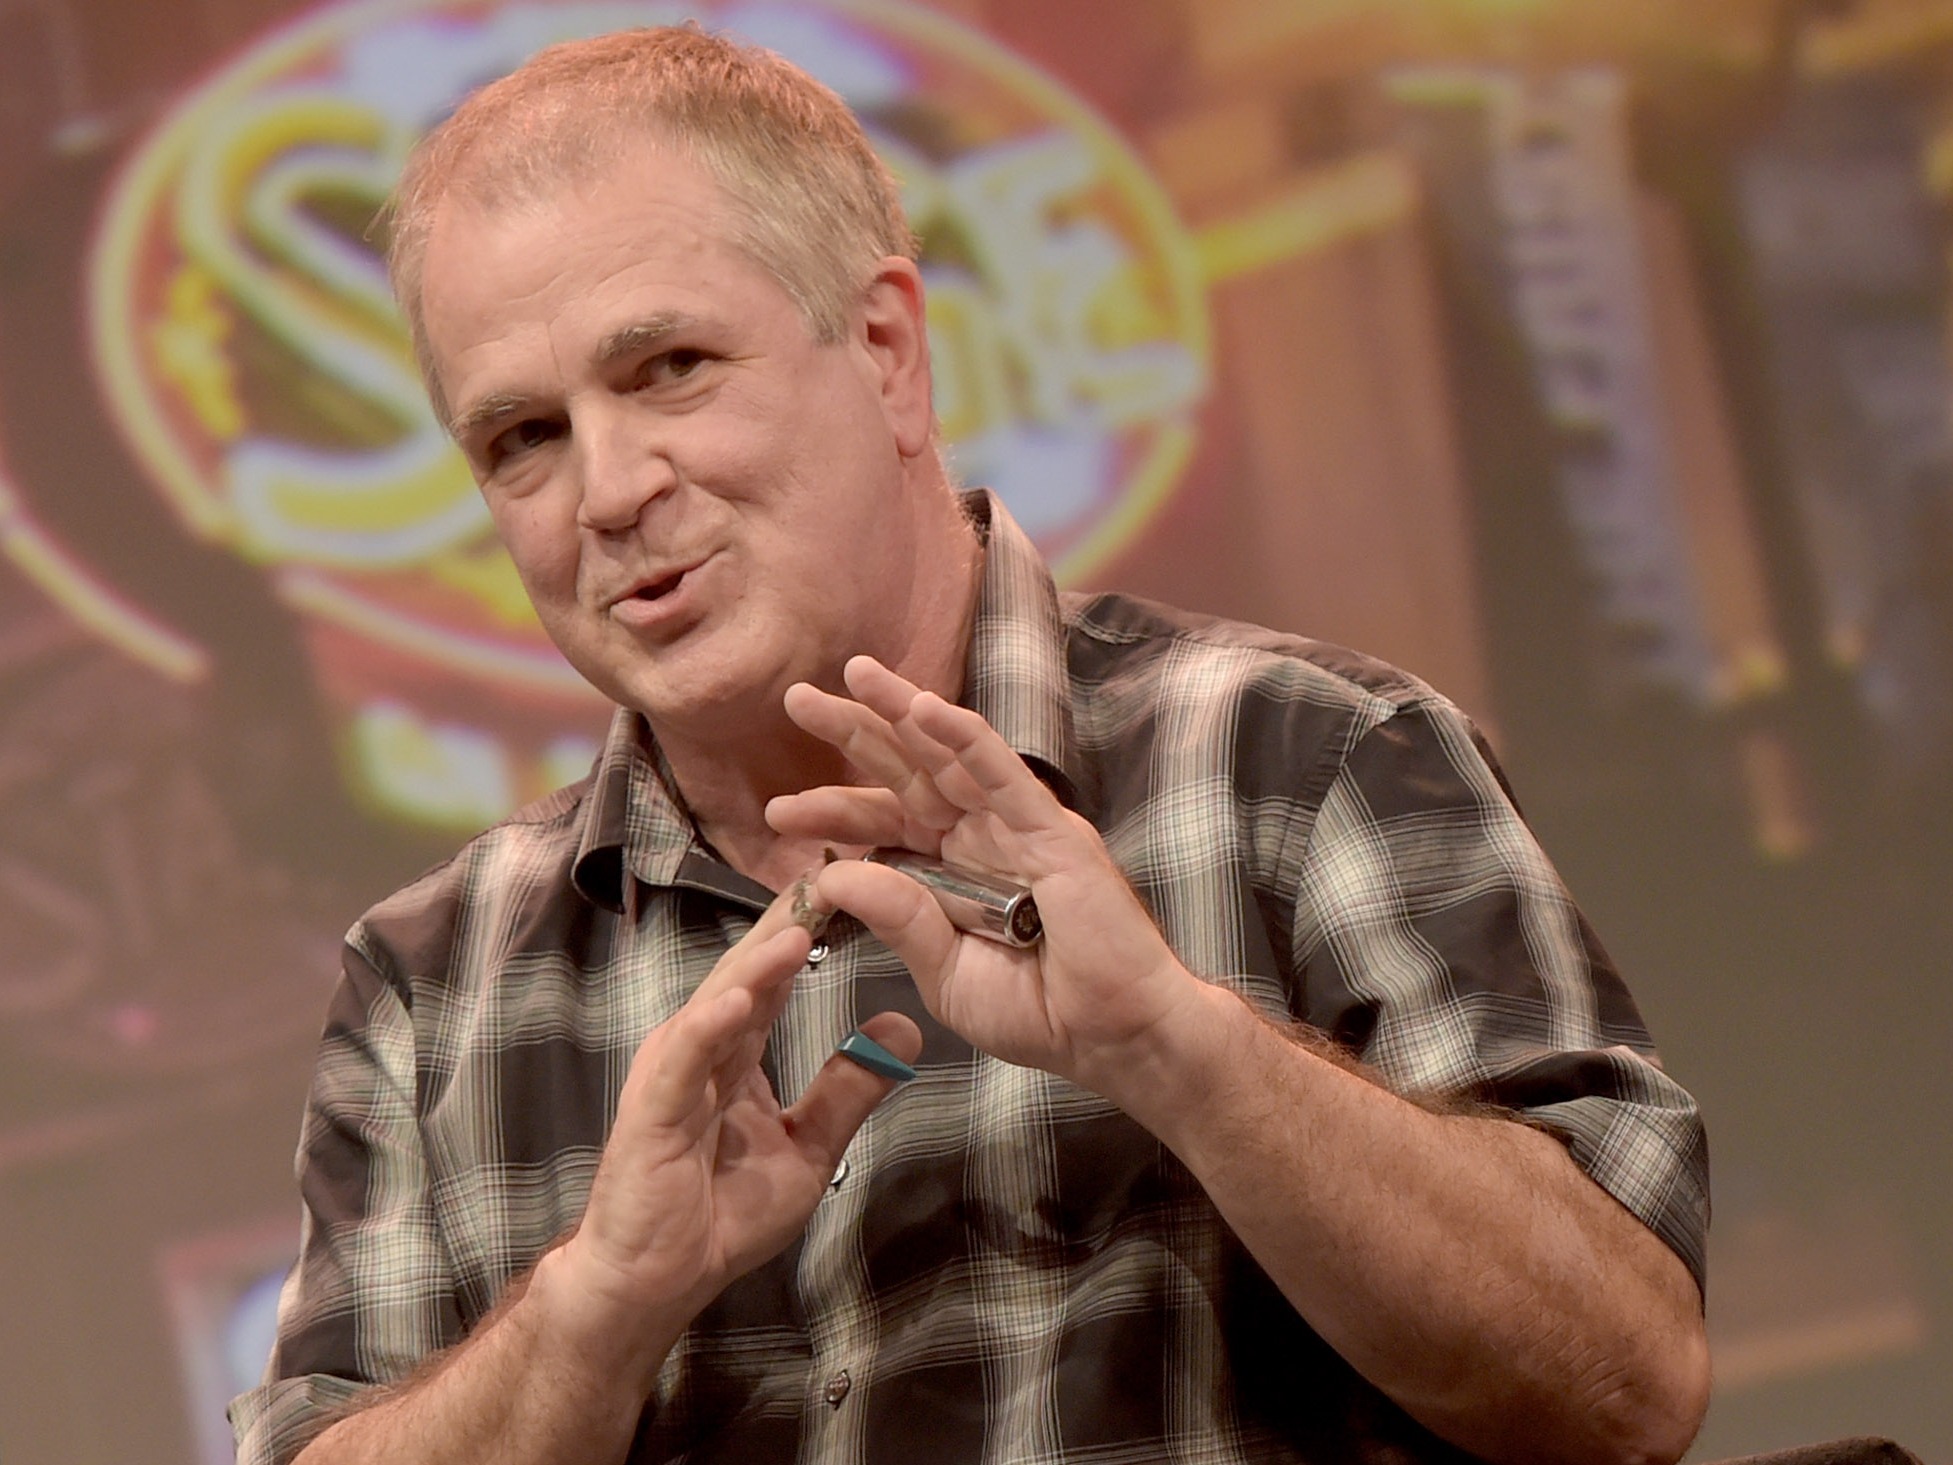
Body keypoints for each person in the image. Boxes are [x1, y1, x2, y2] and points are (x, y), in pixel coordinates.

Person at [230, 25, 1711, 1465]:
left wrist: (1176, 1051)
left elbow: (1625, 1388)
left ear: (884, 350)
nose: (607, 489)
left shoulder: (1304, 758)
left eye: (670, 366)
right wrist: (596, 1308)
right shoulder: (433, 980)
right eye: (521, 439)